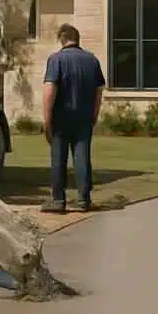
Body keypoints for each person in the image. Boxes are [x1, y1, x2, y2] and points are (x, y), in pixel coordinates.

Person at [40, 23, 105, 212]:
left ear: (62, 38)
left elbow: (49, 89)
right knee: (82, 157)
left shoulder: (56, 60)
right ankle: (84, 199)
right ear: (77, 38)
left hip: (61, 116)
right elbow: (98, 91)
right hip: (84, 117)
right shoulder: (92, 61)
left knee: (58, 158)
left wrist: (46, 119)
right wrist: (94, 114)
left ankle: (58, 200)